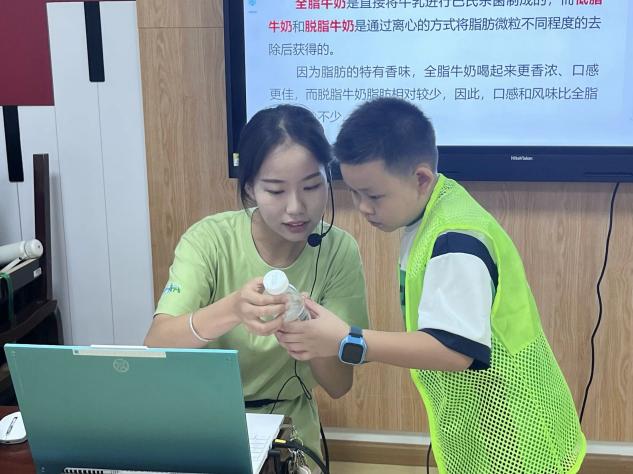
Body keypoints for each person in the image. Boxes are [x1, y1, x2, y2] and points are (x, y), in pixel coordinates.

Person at [276, 98, 586, 473]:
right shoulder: (434, 210)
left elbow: (454, 350)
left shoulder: (455, 238)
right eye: (353, 193)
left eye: (373, 195)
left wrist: (348, 340)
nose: (362, 207)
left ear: (421, 179)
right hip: (488, 423)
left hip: (516, 432)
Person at [144, 104, 369, 467]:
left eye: (312, 186)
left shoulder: (339, 251)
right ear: (249, 187)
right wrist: (232, 309)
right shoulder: (209, 240)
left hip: (290, 430)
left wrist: (311, 336)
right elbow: (157, 343)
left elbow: (340, 385)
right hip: (206, 422)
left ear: (328, 177)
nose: (296, 207)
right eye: (276, 191)